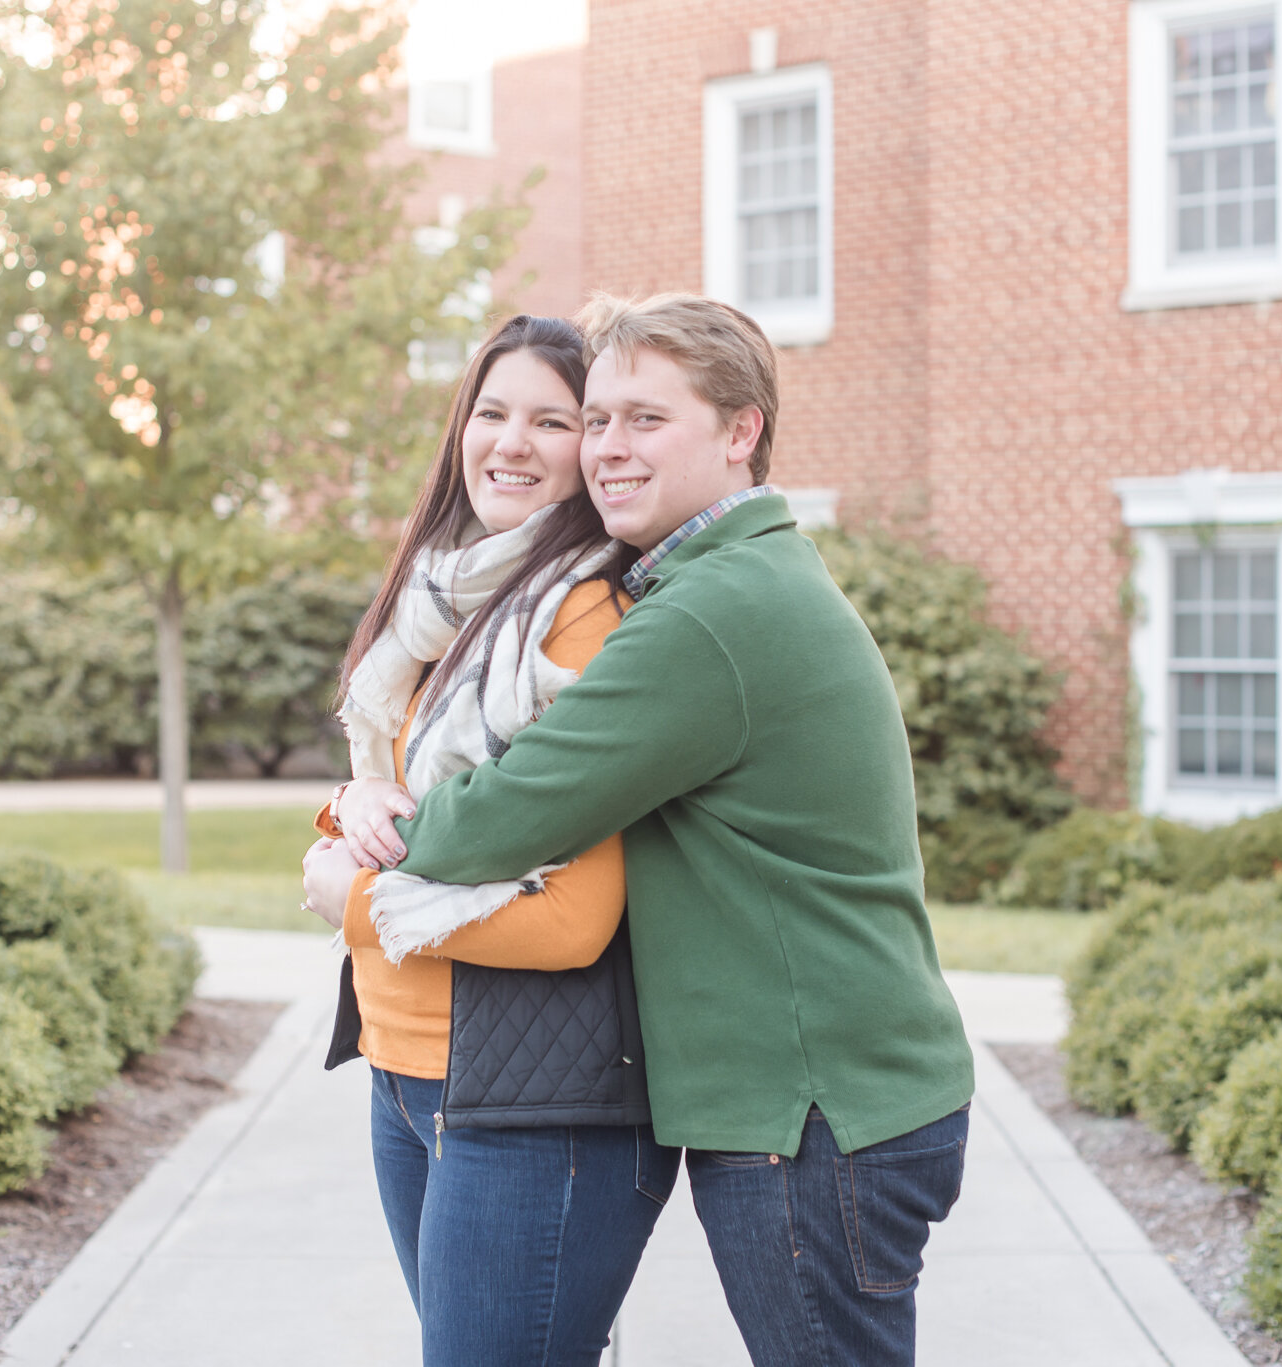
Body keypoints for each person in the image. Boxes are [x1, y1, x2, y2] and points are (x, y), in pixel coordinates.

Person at [328, 292, 978, 1367]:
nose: (604, 448)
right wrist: (349, 803)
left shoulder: (703, 615)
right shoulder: (718, 581)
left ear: (739, 432)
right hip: (813, 1099)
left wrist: (342, 878)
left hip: (810, 1107)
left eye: (642, 419)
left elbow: (498, 818)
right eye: (600, 419)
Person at [298, 314, 676, 1367]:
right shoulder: (448, 599)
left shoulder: (580, 618)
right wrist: (348, 814)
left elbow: (570, 919)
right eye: (492, 411)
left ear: (589, 447)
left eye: (552, 419)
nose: (511, 441)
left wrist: (355, 900)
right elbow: (419, 793)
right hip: (407, 1069)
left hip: (531, 1103)